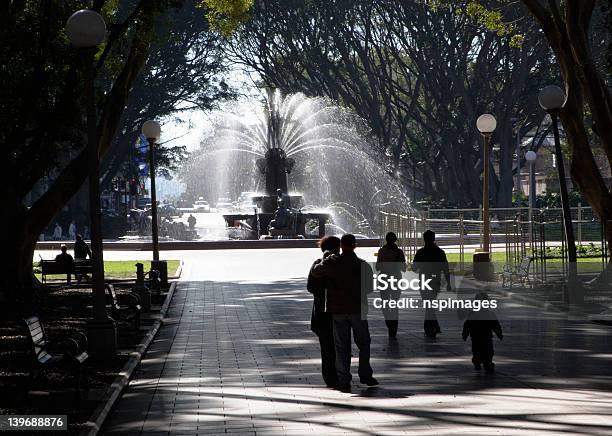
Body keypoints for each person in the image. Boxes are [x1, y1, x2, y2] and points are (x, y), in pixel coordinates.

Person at [311, 234, 378, 393]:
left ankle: (344, 380)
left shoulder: (332, 263)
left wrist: (326, 258)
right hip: (357, 309)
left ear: (341, 245)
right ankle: (365, 374)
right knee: (364, 343)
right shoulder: (363, 265)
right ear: (355, 246)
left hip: (338, 310)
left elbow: (315, 272)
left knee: (341, 346)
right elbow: (369, 288)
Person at [307, 236, 340, 388]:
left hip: (321, 312)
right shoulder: (341, 263)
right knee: (340, 345)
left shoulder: (316, 265)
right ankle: (341, 374)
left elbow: (310, 287)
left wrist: (321, 292)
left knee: (326, 347)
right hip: (339, 311)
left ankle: (329, 377)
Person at [412, 230, 451, 339]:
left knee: (428, 305)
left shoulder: (420, 253)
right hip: (435, 281)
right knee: (430, 304)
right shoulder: (440, 252)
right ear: (434, 239)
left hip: (424, 281)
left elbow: (415, 269)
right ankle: (433, 326)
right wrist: (448, 283)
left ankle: (431, 327)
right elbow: (446, 268)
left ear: (424, 239)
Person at [462, 292, 503, 374]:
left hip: (478, 337)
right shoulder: (489, 314)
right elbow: (496, 325)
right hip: (484, 337)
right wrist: (499, 334)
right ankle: (485, 364)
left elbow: (467, 325)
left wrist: (465, 334)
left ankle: (482, 363)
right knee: (486, 352)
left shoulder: (473, 314)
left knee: (481, 351)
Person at [376, 232, 407, 338]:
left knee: (385, 303)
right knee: (394, 304)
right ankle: (393, 328)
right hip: (396, 279)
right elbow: (403, 268)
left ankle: (389, 322)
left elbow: (377, 267)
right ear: (395, 240)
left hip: (384, 279)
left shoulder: (381, 251)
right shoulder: (399, 252)